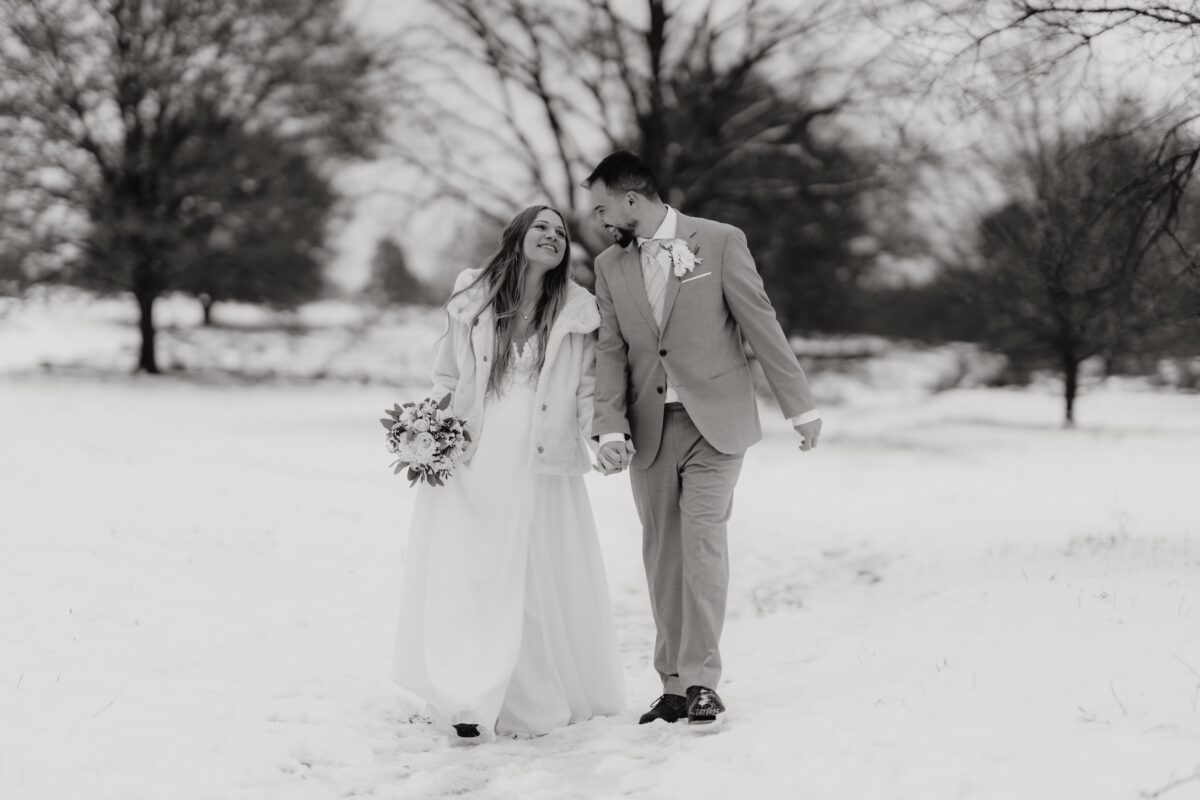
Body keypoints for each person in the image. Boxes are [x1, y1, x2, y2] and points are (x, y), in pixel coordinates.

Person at [584, 151, 822, 726]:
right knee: (663, 556)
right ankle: (671, 684)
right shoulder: (609, 266)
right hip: (648, 430)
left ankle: (701, 682)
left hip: (716, 424)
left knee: (703, 545)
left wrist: (799, 405)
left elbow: (759, 321)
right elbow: (611, 351)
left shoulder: (718, 240)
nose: (598, 219)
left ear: (631, 198)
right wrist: (609, 425)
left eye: (602, 207)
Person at [392, 205, 624, 742]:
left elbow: (587, 391)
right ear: (517, 235)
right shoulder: (473, 295)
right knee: (470, 572)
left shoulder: (578, 310)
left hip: (539, 458)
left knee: (527, 573)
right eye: (541, 226)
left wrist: (604, 439)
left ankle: (524, 696)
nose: (553, 236)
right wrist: (426, 430)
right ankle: (466, 695)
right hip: (474, 455)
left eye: (561, 232)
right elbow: (448, 376)